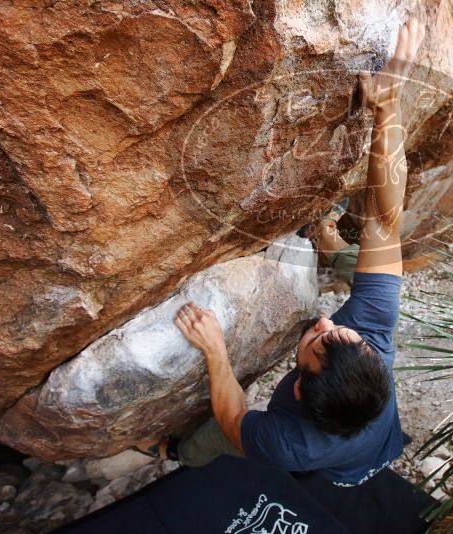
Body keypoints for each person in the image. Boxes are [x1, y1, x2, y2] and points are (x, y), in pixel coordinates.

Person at [137, 18, 425, 487]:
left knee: (215, 439)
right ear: (371, 355)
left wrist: (214, 349)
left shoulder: (289, 442)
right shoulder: (373, 340)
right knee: (369, 273)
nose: (325, 322)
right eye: (344, 335)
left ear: (294, 387)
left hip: (346, 467)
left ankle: (175, 453)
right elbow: (385, 220)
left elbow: (233, 415)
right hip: (373, 424)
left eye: (315, 342)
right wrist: (387, 109)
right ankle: (326, 236)